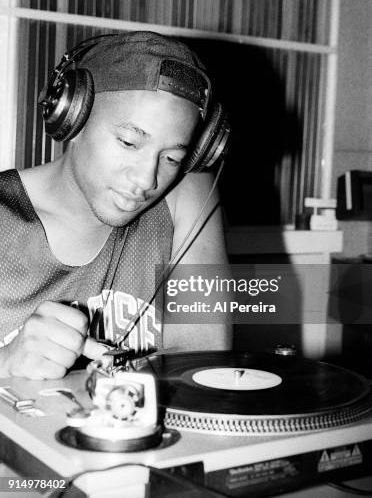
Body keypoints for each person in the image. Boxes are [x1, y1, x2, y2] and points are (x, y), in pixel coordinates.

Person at [0, 32, 231, 380]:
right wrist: (5, 362)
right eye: (128, 142)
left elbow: (201, 366)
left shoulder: (187, 199)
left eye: (172, 157)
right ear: (72, 117)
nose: (146, 179)